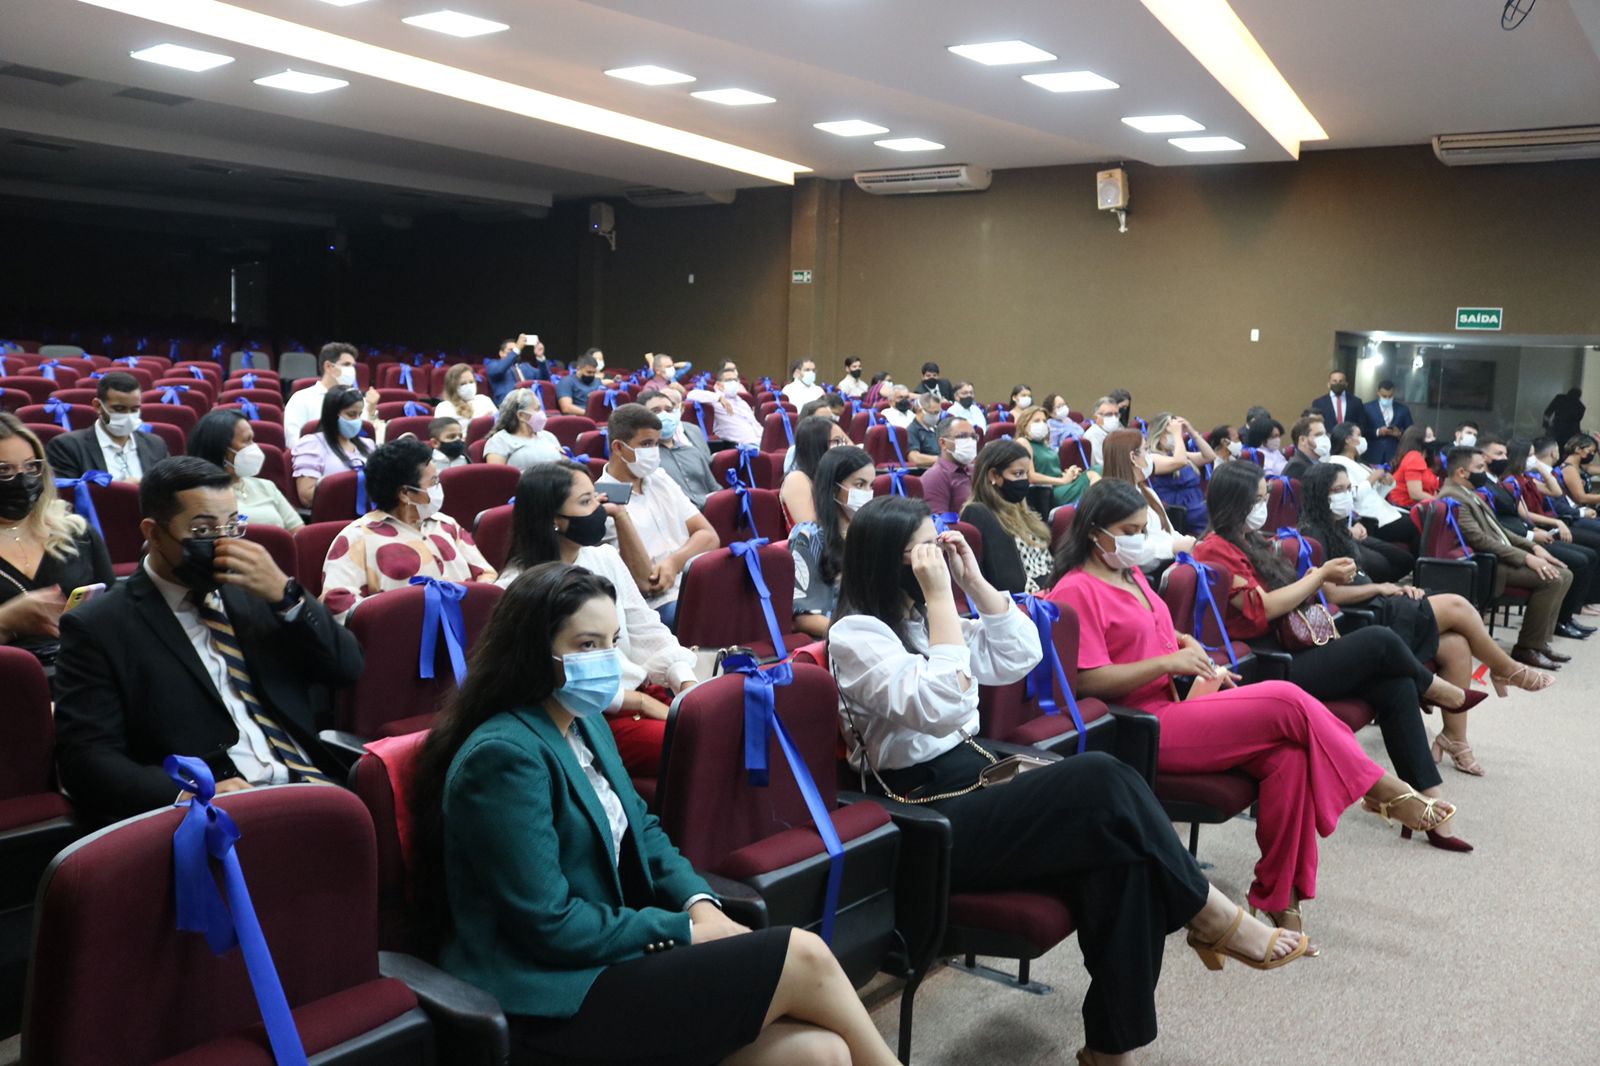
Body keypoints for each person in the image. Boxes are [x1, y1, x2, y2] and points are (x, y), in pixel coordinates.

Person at [829, 495, 1306, 1065]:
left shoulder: (925, 621)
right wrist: (939, 599)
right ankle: (1211, 915)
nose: (939, 557)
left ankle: (1109, 1050)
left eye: (940, 544)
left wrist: (972, 582)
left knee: (1126, 860)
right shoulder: (856, 636)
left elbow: (1021, 653)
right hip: (928, 816)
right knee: (1101, 774)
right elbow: (941, 703)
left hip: (977, 780)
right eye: (927, 549)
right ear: (891, 559)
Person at [407, 563, 902, 1066]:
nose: (606, 659)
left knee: (821, 1054)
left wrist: (698, 904)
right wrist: (682, 931)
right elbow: (549, 924)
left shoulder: (584, 721)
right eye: (586, 645)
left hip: (608, 957)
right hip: (550, 997)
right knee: (803, 954)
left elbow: (643, 829)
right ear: (534, 651)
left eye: (611, 642)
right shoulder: (503, 756)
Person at [1051, 479, 1456, 931]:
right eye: (1129, 531)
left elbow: (1146, 634)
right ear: (1094, 531)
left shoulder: (1131, 576)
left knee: (1290, 757)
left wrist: (1182, 642)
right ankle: (1380, 789)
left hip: (1178, 702)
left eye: (1143, 529)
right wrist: (1168, 661)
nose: (1140, 539)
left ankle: (1281, 899)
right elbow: (1086, 679)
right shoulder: (1076, 589)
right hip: (1141, 727)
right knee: (1286, 698)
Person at [53, 457, 361, 823]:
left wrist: (288, 595)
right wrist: (184, 792)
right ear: (153, 533)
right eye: (203, 530)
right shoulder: (99, 626)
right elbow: (86, 758)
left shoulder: (258, 590)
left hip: (313, 783)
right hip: (214, 812)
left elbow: (348, 668)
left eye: (232, 525)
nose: (224, 543)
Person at [1193, 462, 1472, 848]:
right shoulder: (1213, 550)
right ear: (1233, 502)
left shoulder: (1251, 540)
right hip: (1267, 667)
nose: (1263, 507)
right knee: (1379, 639)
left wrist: (1317, 579)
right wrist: (1319, 576)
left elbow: (1293, 595)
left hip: (1290, 648)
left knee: (1395, 685)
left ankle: (1429, 802)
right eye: (1256, 500)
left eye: (1264, 498)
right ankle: (1436, 688)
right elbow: (1264, 608)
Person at [1299, 462, 1552, 778]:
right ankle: (1505, 668)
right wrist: (1382, 588)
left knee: (1457, 646)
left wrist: (1391, 589)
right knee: (1458, 605)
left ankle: (1455, 739)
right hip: (1360, 621)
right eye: (1337, 490)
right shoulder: (1312, 535)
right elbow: (1330, 595)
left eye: (1348, 489)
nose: (1346, 495)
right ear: (1318, 495)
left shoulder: (1337, 527)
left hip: (1378, 604)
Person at [497, 464, 696, 776]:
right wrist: (640, 703)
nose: (600, 508)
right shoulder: (518, 587)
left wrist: (686, 682)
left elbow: (646, 627)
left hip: (643, 691)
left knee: (729, 726)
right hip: (588, 716)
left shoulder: (603, 557)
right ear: (554, 519)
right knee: (698, 746)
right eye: (586, 501)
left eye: (596, 497)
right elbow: (552, 679)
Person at [319, 438, 496, 622]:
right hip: (402, 634)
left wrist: (474, 605)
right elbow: (337, 603)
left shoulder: (445, 524)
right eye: (433, 482)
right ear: (405, 493)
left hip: (467, 625)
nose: (438, 487)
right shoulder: (357, 536)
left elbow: (486, 574)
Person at [1440, 447, 1576, 672]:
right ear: (1462, 472)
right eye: (1479, 467)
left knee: (1566, 574)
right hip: (1486, 564)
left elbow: (1500, 530)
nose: (1484, 472)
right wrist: (1526, 558)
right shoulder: (1453, 497)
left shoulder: (1469, 491)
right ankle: (1527, 647)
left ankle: (1540, 642)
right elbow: (1480, 540)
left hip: (1498, 557)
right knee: (1553, 578)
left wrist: (1534, 548)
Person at [0, 414, 113, 654]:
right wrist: (6, 620)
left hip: (82, 668)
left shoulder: (76, 532)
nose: (22, 480)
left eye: (31, 467)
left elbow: (117, 612)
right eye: (4, 470)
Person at [596, 404, 718, 624]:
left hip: (693, 585)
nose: (654, 451)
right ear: (618, 447)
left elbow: (709, 536)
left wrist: (674, 562)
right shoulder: (604, 500)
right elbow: (645, 583)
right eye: (646, 444)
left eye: (656, 444)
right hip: (654, 606)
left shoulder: (660, 478)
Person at [1480, 436, 1599, 636]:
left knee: (1587, 555)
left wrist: (1541, 468)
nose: (1533, 460)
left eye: (1505, 454)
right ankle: (1560, 621)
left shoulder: (1512, 480)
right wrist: (1533, 533)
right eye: (1530, 456)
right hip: (1519, 539)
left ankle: (1565, 618)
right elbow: (1501, 523)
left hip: (1532, 531)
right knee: (1579, 561)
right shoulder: (1504, 482)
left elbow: (1553, 493)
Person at [789, 446, 874, 640]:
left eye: (871, 485)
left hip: (873, 634)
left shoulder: (871, 532)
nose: (868, 493)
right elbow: (802, 618)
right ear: (834, 487)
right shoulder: (808, 537)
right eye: (860, 485)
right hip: (837, 640)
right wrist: (857, 637)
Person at [960, 440, 1052, 594]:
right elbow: (1005, 579)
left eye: (1026, 474)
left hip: (1050, 589)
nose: (1025, 480)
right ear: (994, 475)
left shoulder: (1024, 511)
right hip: (1026, 599)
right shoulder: (978, 514)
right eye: (1018, 474)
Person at [187, 410, 301, 531]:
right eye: (247, 441)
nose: (254, 447)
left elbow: (298, 531)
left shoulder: (266, 486)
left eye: (252, 440)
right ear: (222, 449)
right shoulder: (199, 496)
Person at [45, 370, 169, 481]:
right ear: (98, 406)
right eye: (119, 409)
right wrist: (120, 491)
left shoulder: (156, 445)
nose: (128, 416)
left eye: (134, 409)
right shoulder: (67, 446)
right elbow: (65, 495)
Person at [1099, 429, 1194, 568]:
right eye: (1146, 450)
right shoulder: (1113, 501)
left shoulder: (1147, 491)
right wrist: (1172, 548)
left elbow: (1169, 532)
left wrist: (1190, 543)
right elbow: (1128, 551)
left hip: (1169, 561)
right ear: (1133, 457)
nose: (1151, 457)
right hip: (1146, 570)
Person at [1325, 421, 1418, 553]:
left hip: (1382, 510)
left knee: (1419, 520)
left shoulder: (1360, 464)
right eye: (1359, 435)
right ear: (1348, 440)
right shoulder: (1336, 463)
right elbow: (1352, 495)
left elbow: (1375, 494)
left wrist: (1386, 482)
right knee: (1416, 526)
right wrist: (1373, 478)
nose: (1362, 439)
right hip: (1369, 518)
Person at [291, 386, 373, 508]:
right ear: (333, 414)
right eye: (351, 414)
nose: (357, 420)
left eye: (359, 414)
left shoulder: (368, 445)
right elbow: (306, 497)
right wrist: (349, 490)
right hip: (333, 514)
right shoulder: (312, 445)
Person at [283, 342, 378, 444]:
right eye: (346, 365)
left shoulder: (357, 400)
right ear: (328, 366)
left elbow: (367, 437)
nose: (351, 370)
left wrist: (371, 410)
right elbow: (293, 442)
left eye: (353, 366)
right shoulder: (301, 399)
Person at [638, 389, 716, 509]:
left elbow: (715, 489)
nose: (665, 415)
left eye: (669, 410)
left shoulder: (692, 451)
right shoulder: (641, 458)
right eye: (656, 411)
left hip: (709, 511)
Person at [1145, 413, 1216, 533]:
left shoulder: (1177, 454)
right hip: (1179, 511)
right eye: (1170, 432)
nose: (1175, 435)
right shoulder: (1152, 457)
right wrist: (1177, 435)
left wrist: (1191, 432)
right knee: (1221, 514)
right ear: (1159, 434)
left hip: (1197, 505)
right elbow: (1180, 462)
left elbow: (1209, 456)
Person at [779, 415, 850, 528]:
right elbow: (813, 530)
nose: (843, 447)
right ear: (816, 445)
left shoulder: (833, 477)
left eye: (843, 441)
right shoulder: (797, 479)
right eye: (837, 441)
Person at [1019, 406, 1096, 508]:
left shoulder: (1044, 444)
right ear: (1024, 424)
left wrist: (1069, 474)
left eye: (1044, 421)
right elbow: (1031, 477)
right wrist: (1063, 481)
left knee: (1097, 469)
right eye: (1036, 421)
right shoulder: (1024, 442)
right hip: (1049, 491)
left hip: (1060, 484)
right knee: (1093, 475)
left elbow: (1053, 471)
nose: (1042, 424)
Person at [484, 388, 563, 471]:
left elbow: (566, 467)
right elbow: (497, 475)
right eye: (537, 409)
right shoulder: (499, 440)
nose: (542, 414)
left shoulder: (548, 436)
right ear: (521, 415)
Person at [685, 365, 761, 448]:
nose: (733, 383)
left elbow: (755, 425)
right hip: (741, 447)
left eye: (735, 380)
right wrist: (719, 398)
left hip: (758, 442)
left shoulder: (742, 402)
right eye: (729, 380)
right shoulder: (715, 401)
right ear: (718, 384)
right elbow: (691, 394)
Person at [920, 417, 979, 516]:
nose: (970, 441)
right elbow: (938, 522)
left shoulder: (975, 472)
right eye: (962, 436)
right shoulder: (934, 477)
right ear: (943, 443)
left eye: (973, 437)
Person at [484, 335, 549, 404]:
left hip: (529, 403)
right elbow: (498, 370)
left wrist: (540, 356)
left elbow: (544, 377)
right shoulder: (493, 364)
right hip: (507, 404)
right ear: (501, 353)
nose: (515, 352)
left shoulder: (526, 366)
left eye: (517, 349)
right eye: (511, 350)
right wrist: (517, 349)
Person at [1386, 425, 1440, 507]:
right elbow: (1415, 494)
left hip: (1420, 508)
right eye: (1429, 437)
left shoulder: (1425, 461)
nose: (1434, 439)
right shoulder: (1414, 457)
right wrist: (1442, 502)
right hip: (1404, 508)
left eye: (1433, 436)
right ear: (1417, 440)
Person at [1363, 379, 1413, 467]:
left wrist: (1399, 434)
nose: (1387, 399)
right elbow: (1362, 430)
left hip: (1394, 455)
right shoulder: (1367, 408)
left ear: (1394, 393)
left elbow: (1411, 433)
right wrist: (1378, 432)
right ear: (1378, 393)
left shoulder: (1403, 410)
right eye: (1384, 396)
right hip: (1372, 454)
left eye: (1390, 396)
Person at [1308, 370, 1370, 437]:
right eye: (1334, 381)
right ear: (1328, 384)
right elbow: (1314, 424)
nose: (1337, 383)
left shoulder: (1356, 402)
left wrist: (1354, 436)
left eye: (1341, 381)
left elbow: (1362, 424)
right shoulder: (1319, 403)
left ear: (1346, 384)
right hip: (1326, 439)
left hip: (1350, 440)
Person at [435, 363, 497, 428]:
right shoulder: (444, 407)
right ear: (452, 387)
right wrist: (481, 422)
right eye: (463, 384)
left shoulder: (484, 399)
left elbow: (499, 423)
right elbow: (444, 432)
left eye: (471, 382)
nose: (468, 386)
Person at [556, 349, 608, 417]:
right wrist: (591, 414)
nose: (592, 375)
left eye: (594, 372)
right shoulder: (566, 382)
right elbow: (566, 408)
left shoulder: (597, 381)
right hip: (580, 418)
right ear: (578, 369)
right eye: (589, 372)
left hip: (599, 416)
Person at [1280, 414, 1328, 482]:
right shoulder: (1296, 467)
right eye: (1318, 435)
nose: (1325, 438)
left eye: (1325, 434)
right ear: (1303, 440)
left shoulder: (1320, 463)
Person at [1082, 396, 1121, 468]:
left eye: (1116, 414)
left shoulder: (1118, 431)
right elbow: (1099, 466)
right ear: (1096, 417)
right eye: (1109, 414)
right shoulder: (1093, 435)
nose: (1114, 418)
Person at [905, 393, 942, 468]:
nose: (936, 416)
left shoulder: (936, 429)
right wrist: (943, 459)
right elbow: (914, 458)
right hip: (928, 471)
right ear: (919, 411)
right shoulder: (911, 431)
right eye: (933, 413)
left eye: (938, 413)